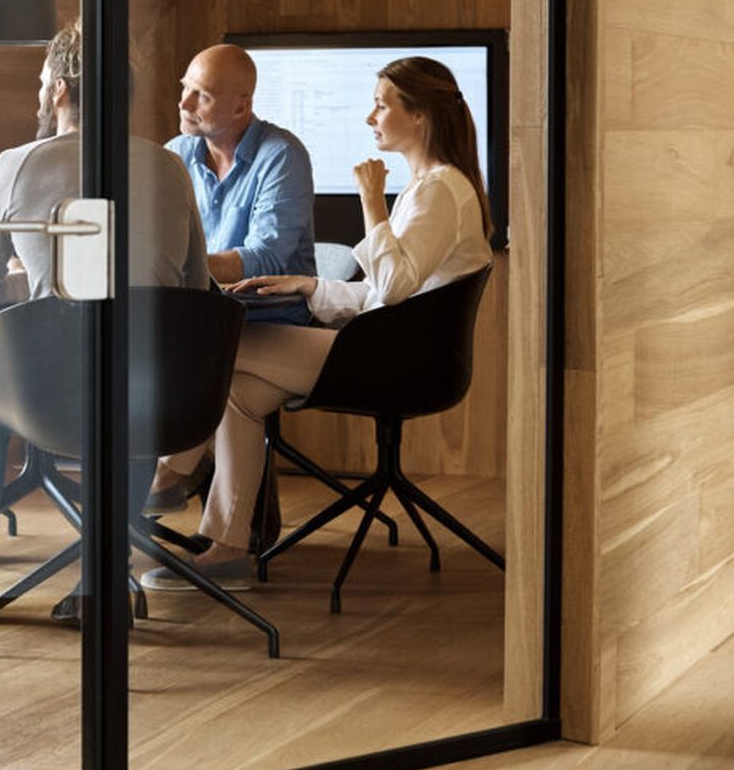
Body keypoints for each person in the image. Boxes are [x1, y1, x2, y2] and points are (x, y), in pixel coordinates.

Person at [142, 56, 495, 591]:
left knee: (221, 347)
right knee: (238, 390)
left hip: (398, 361)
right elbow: (382, 290)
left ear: (419, 117)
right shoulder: (434, 188)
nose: (370, 117)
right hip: (388, 347)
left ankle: (167, 474)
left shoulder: (438, 190)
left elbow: (394, 288)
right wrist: (309, 286)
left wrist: (372, 202)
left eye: (382, 104)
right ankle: (230, 548)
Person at [0, 23, 210, 620]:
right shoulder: (170, 168)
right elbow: (193, 291)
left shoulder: (17, 164)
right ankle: (102, 577)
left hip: (52, 396)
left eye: (42, 83)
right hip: (166, 393)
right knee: (135, 388)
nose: (38, 95)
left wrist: (33, 277)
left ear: (64, 89)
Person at [166, 43, 316, 293]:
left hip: (269, 316)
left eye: (202, 95)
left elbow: (265, 259)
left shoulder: (283, 155)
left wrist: (173, 265)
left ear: (240, 107)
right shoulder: (174, 153)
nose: (184, 104)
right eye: (185, 87)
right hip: (200, 308)